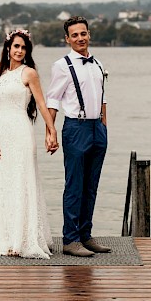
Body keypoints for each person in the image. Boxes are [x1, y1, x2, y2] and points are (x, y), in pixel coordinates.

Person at [0, 29, 59, 259]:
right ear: (8, 48)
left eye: (23, 47)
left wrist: (52, 131)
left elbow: (41, 104)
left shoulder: (29, 74)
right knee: (6, 183)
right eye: (16, 46)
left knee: (22, 181)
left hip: (22, 133)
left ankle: (23, 240)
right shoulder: (1, 75)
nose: (19, 51)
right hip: (5, 136)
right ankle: (7, 237)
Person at [45, 16, 111, 258]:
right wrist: (50, 132)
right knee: (74, 186)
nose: (80, 38)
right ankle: (71, 239)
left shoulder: (97, 64)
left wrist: (104, 128)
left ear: (89, 34)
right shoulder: (62, 66)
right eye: (75, 35)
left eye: (83, 33)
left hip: (97, 129)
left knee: (91, 186)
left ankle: (85, 234)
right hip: (75, 128)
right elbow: (52, 99)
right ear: (67, 39)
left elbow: (103, 99)